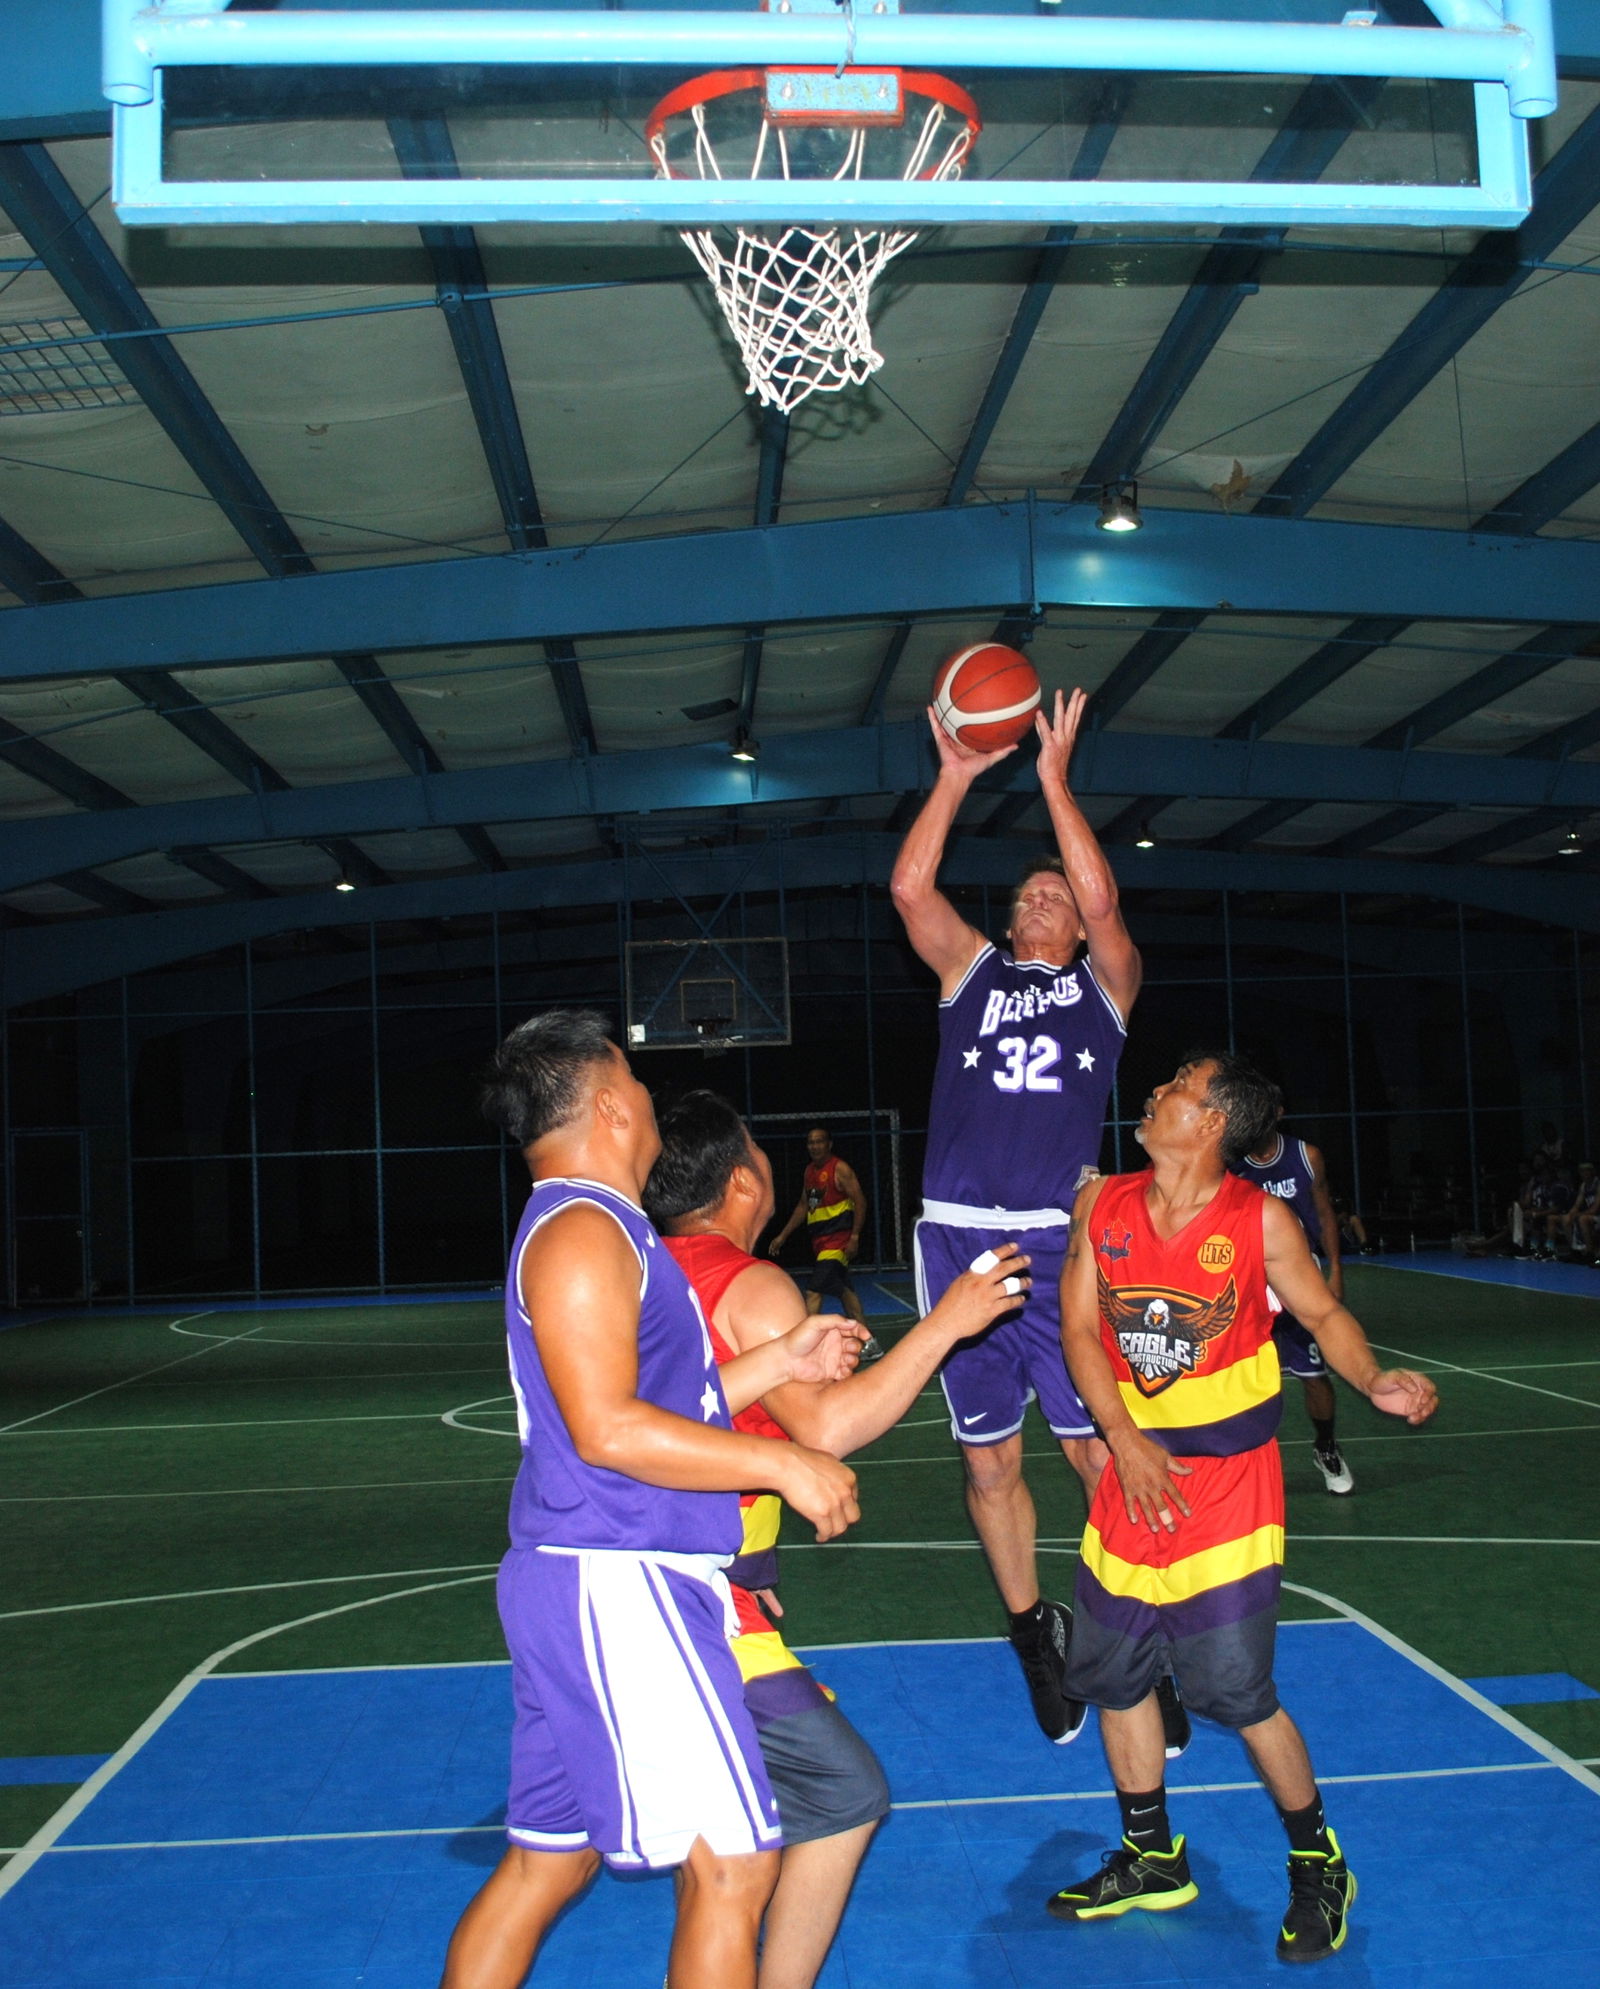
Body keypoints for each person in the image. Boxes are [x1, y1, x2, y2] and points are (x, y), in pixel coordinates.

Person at [438, 1011, 863, 1989]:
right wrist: (784, 1466)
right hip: (620, 1576)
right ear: (605, 1103)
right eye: (628, 1074)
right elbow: (609, 1430)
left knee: (552, 1857)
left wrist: (774, 1360)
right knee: (735, 1860)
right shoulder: (583, 1228)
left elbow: (671, 1401)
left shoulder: (601, 1225)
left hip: (586, 1576)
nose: (642, 1089)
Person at [1049, 1053, 1437, 1964]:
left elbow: (1322, 1313)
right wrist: (1126, 1440)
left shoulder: (1258, 1221)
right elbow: (1076, 1328)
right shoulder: (1099, 1204)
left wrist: (1374, 1376)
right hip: (1130, 1475)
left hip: (1226, 1486)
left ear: (1212, 1120)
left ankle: (1318, 1863)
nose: (1154, 1092)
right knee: (1110, 1676)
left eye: (1177, 1085)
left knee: (1230, 1689)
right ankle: (1151, 1855)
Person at [645, 1089, 1031, 1989]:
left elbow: (691, 1425)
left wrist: (754, 1553)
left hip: (681, 1575)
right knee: (838, 1796)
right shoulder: (748, 1280)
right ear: (744, 1178)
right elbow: (827, 1429)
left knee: (718, 1850)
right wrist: (950, 1319)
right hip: (691, 1601)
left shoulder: (651, 1270)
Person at [889, 685, 1175, 1751]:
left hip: (1062, 1245)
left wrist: (1053, 779)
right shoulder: (971, 975)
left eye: (1055, 890)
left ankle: (1136, 1636)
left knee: (1101, 1452)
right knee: (988, 1464)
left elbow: (1105, 907)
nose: (1044, 899)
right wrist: (958, 774)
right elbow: (909, 884)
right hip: (958, 1236)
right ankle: (1031, 1640)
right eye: (1031, 893)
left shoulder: (1106, 988)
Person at [1231, 1099, 1355, 1495]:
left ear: (1279, 1112)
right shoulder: (1230, 1163)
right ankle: (1241, 1461)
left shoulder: (1305, 1156)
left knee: (1314, 1375)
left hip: (1300, 1277)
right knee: (1243, 1378)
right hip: (1251, 1283)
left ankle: (1326, 1447)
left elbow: (1323, 1212)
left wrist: (1334, 1268)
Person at [767, 1127, 882, 1358]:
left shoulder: (840, 1169)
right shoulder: (809, 1172)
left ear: (829, 1144)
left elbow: (860, 1201)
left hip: (837, 1244)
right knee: (846, 1293)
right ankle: (870, 1342)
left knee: (813, 1291)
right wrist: (783, 1235)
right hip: (821, 1243)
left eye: (819, 1141)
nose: (814, 1146)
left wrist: (855, 1236)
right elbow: (803, 1206)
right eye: (810, 1142)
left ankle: (805, 1349)